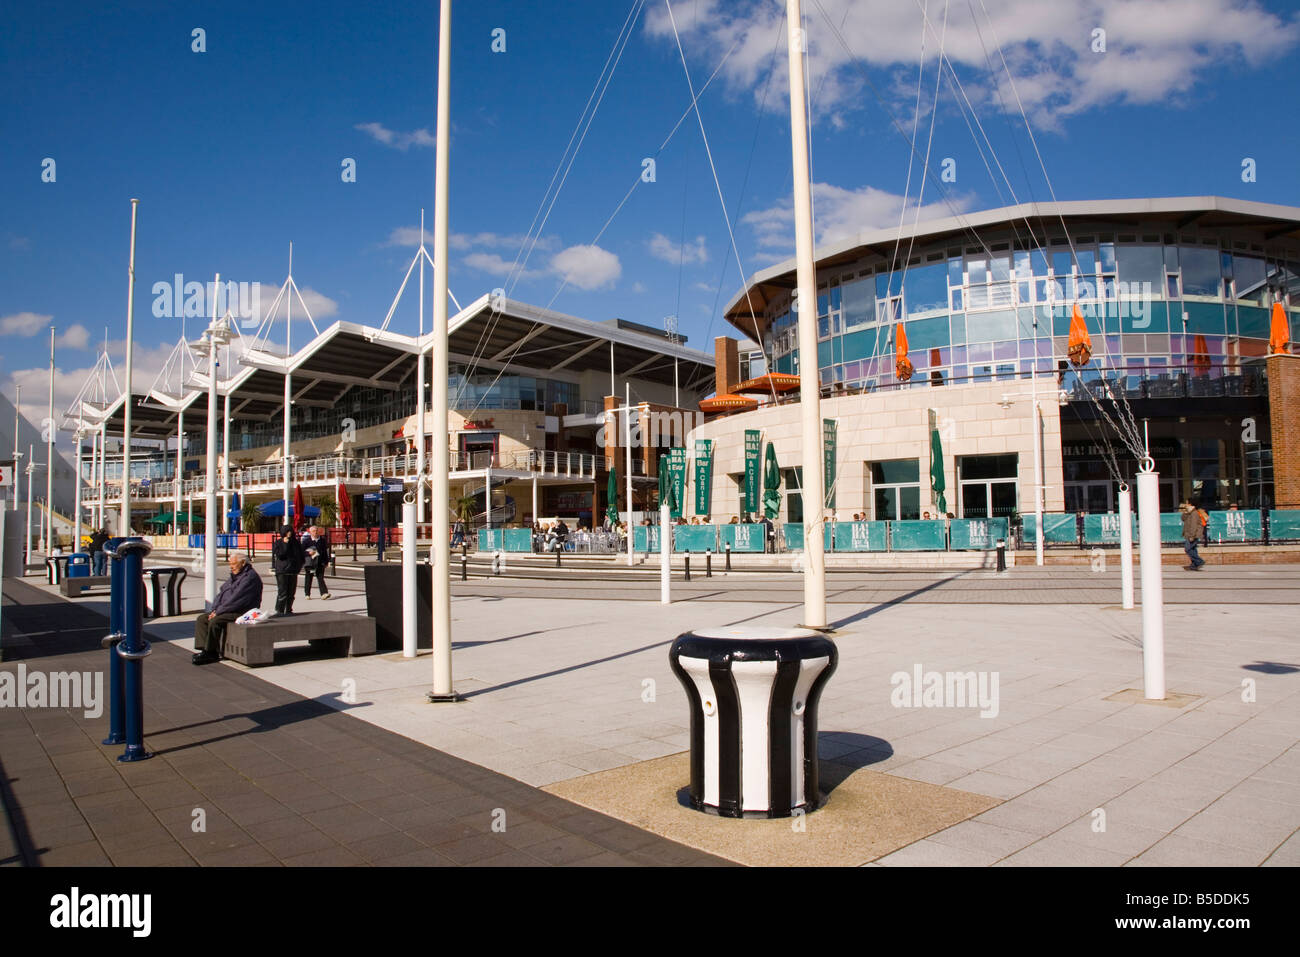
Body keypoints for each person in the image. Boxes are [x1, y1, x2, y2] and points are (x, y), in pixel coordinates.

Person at [192, 553, 263, 665]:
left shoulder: (250, 577)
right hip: (227, 609)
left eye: (234, 564)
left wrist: (218, 612)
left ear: (243, 563)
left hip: (243, 612)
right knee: (202, 619)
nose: (231, 566)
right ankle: (204, 649)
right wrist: (214, 610)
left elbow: (236, 600)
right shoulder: (235, 576)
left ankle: (211, 652)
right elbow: (221, 594)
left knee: (215, 621)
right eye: (230, 564)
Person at [271, 524, 305, 614]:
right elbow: (280, 555)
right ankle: (279, 610)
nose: (289, 533)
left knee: (291, 593)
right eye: (287, 532)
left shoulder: (296, 543)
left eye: (290, 531)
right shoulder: (278, 542)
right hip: (282, 571)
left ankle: (289, 609)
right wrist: (285, 544)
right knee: (283, 592)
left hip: (293, 570)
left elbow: (301, 555)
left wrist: (299, 565)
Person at [301, 525, 332, 599]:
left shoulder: (322, 540)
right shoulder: (307, 541)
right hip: (310, 563)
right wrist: (308, 553)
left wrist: (327, 561)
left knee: (320, 577)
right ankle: (307, 594)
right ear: (310, 532)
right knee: (309, 578)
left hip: (320, 562)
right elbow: (301, 552)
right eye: (313, 531)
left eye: (316, 531)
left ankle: (324, 593)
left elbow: (325, 551)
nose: (315, 532)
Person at [1181, 502, 1205, 570]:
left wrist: (1192, 536)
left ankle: (1199, 561)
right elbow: (1183, 519)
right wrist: (1185, 512)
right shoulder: (1189, 512)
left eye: (1187, 503)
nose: (1186, 504)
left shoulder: (1194, 513)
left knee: (1187, 549)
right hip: (1188, 533)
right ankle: (1194, 565)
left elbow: (1194, 525)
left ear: (1191, 504)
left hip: (1194, 534)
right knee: (1193, 549)